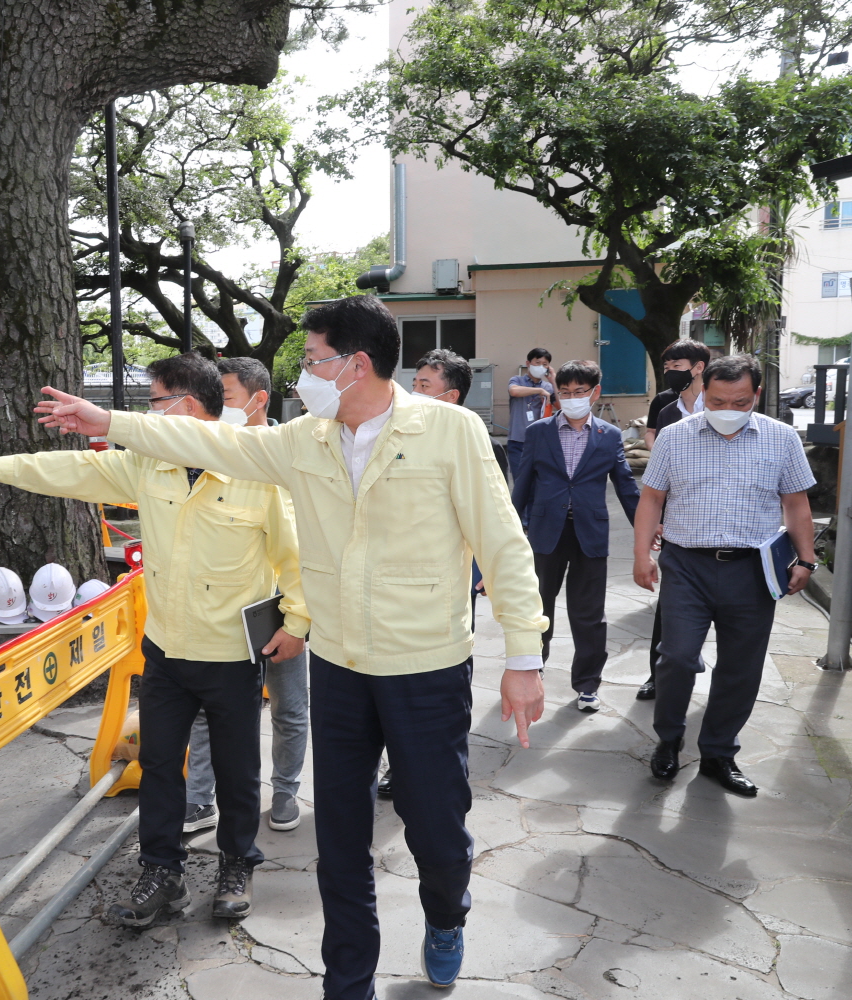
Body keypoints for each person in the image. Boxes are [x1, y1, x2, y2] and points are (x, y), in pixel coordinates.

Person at [32, 295, 549, 994]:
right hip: (338, 666)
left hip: (425, 667)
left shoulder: (450, 431)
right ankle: (348, 982)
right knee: (339, 840)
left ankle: (446, 916)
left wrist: (524, 657)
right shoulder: (306, 436)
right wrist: (110, 422)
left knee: (436, 829)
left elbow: (504, 544)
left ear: (354, 364)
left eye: (311, 360)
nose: (301, 372)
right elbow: (221, 443)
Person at [0, 354, 308, 927]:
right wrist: (3, 467)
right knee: (161, 765)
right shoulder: (149, 466)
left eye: (155, 402)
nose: (147, 414)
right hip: (167, 650)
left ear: (185, 407)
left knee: (240, 772)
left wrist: (297, 623)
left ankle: (236, 865)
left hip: (231, 655)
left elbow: (295, 556)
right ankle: (161, 874)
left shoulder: (255, 470)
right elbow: (76, 474)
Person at [633, 354, 816, 797]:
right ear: (703, 394)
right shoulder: (675, 437)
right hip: (686, 566)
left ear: (755, 395)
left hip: (752, 570)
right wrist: (641, 555)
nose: (727, 410)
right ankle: (669, 739)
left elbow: (795, 503)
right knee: (676, 657)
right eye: (716, 401)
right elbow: (653, 498)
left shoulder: (782, 438)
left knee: (741, 666)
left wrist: (806, 560)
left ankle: (718, 752)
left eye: (738, 401)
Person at [185, 356, 309, 835]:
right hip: (219, 608)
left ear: (258, 400)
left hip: (278, 605)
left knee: (288, 706)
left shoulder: (292, 451)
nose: (214, 408)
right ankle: (200, 800)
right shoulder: (206, 448)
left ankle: (284, 792)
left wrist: (299, 613)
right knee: (205, 709)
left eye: (226, 397)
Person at [378, 349, 481, 800]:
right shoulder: (389, 434)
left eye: (424, 385)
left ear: (451, 395)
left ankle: (429, 767)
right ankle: (393, 766)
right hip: (390, 587)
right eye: (414, 382)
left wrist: (481, 571)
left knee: (439, 683)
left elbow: (488, 518)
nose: (412, 391)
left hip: (448, 584)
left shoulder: (470, 438)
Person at [511, 360, 640, 711]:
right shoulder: (539, 432)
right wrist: (508, 529)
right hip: (545, 532)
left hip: (590, 533)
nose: (571, 398)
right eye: (564, 392)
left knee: (589, 615)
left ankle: (587, 684)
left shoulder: (609, 435)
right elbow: (523, 484)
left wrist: (647, 528)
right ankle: (531, 673)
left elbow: (626, 487)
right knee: (538, 608)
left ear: (594, 393)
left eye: (579, 392)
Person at [637, 338, 713, 700]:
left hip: (718, 524)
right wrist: (658, 522)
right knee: (670, 603)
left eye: (677, 365)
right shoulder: (667, 411)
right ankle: (658, 674)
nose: (670, 372)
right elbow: (658, 481)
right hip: (677, 525)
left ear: (698, 367)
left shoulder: (720, 405)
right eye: (667, 365)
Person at [505, 348, 555, 478]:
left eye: (545, 364)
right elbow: (514, 391)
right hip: (518, 440)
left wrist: (553, 380)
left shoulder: (548, 387)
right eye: (537, 363)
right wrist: (538, 391)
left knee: (540, 480)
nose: (541, 367)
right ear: (528, 363)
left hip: (540, 441)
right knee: (521, 480)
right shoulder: (517, 380)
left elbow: (561, 405)